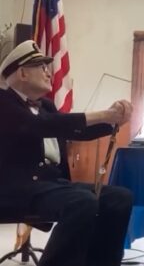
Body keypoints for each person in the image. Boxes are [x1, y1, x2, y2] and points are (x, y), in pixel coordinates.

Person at [0, 40, 134, 266]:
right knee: (81, 201)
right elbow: (39, 126)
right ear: (22, 73)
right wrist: (104, 114)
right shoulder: (3, 102)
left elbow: (72, 129)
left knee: (119, 198)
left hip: (51, 185)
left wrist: (114, 122)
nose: (48, 72)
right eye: (41, 66)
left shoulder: (47, 106)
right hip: (14, 189)